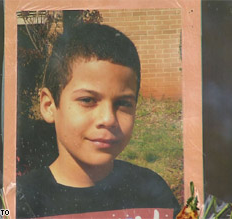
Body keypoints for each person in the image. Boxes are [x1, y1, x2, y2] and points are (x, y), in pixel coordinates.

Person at [16, 23, 180, 218]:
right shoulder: (22, 202)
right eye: (87, 100)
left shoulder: (152, 192)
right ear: (49, 106)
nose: (108, 119)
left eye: (123, 103)